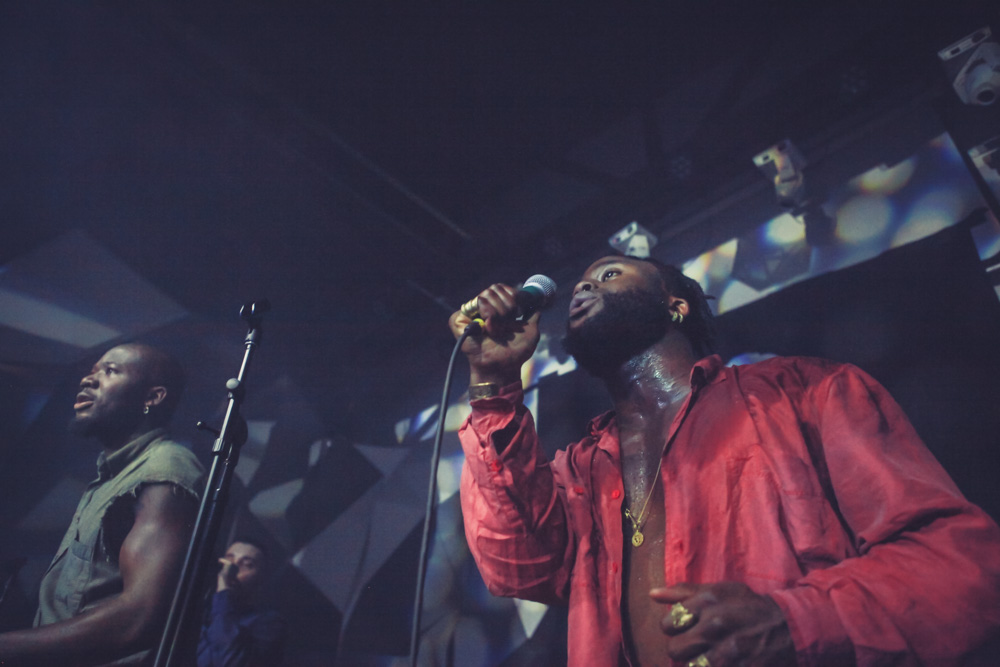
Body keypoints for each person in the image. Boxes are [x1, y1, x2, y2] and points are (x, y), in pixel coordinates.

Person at [451, 255, 1000, 667]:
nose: (585, 286)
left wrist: (796, 620)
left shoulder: (805, 392)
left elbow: (960, 567)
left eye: (611, 274)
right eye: (580, 285)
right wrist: (494, 382)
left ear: (675, 304)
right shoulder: (578, 472)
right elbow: (518, 566)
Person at [0, 343, 205, 666]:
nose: (87, 379)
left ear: (153, 397)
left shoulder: (166, 466)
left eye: (110, 371)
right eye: (92, 371)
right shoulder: (112, 476)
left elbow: (138, 617)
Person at [197, 537, 286, 667]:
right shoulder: (197, 605)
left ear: (260, 580)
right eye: (229, 559)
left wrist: (224, 592)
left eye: (247, 564)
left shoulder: (269, 624)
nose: (231, 568)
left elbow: (228, 662)